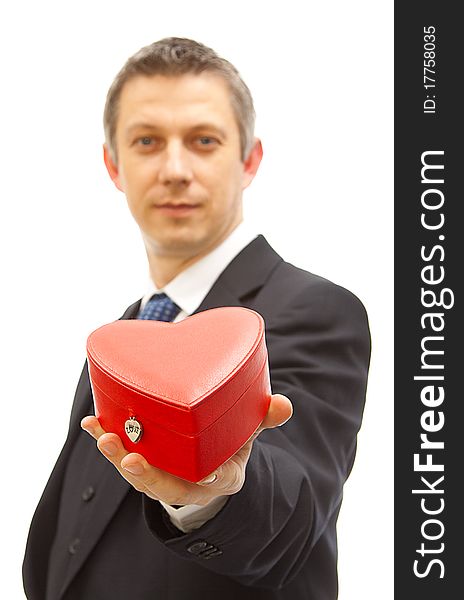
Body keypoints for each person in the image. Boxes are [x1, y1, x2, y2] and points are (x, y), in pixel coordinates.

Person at [23, 37, 371, 600]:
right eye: (147, 142)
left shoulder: (315, 311)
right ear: (114, 165)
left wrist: (211, 491)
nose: (176, 169)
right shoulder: (124, 333)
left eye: (204, 140)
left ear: (249, 159)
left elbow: (293, 514)